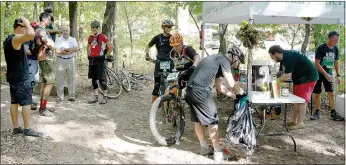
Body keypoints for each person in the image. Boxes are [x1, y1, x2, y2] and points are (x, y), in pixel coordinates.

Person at [184, 52, 245, 161]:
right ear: (235, 58)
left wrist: (233, 96)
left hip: (189, 90)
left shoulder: (216, 59)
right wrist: (243, 93)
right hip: (201, 92)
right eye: (238, 63)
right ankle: (218, 153)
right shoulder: (224, 60)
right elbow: (232, 84)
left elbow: (219, 87)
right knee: (213, 121)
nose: (237, 66)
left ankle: (204, 148)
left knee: (197, 120)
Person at [3, 17, 43, 137]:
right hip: (21, 76)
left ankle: (16, 127)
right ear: (19, 28)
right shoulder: (15, 39)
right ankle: (27, 129)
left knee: (14, 102)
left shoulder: (8, 40)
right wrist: (26, 21)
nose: (26, 30)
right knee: (26, 102)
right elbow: (31, 34)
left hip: (13, 75)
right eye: (24, 28)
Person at [268, 45, 319, 130]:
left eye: (271, 56)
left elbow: (288, 75)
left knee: (302, 101)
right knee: (296, 100)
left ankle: (300, 123)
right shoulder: (283, 58)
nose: (272, 58)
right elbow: (281, 72)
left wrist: (275, 82)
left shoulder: (288, 57)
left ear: (276, 53)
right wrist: (274, 79)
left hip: (308, 77)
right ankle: (294, 120)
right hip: (300, 78)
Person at [310, 31, 344, 121]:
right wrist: (325, 74)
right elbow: (316, 63)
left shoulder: (335, 49)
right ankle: (317, 112)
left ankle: (333, 113)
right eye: (335, 39)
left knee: (331, 93)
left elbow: (336, 62)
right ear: (330, 38)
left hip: (329, 73)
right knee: (317, 93)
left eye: (337, 40)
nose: (336, 41)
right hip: (318, 74)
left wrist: (338, 75)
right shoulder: (321, 48)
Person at [145, 20, 175, 104]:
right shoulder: (157, 37)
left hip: (170, 62)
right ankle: (153, 105)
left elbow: (177, 48)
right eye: (167, 27)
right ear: (163, 27)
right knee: (157, 85)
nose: (169, 28)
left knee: (172, 84)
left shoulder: (172, 37)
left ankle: (172, 104)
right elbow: (148, 45)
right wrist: (147, 54)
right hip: (159, 62)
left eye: (170, 27)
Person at [87, 20, 113, 104]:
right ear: (91, 28)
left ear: (99, 28)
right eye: (93, 27)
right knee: (94, 79)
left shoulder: (102, 36)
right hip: (92, 60)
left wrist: (105, 56)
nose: (94, 29)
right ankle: (96, 97)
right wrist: (88, 54)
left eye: (96, 27)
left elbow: (111, 46)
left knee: (102, 79)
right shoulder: (90, 37)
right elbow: (88, 47)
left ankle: (105, 97)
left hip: (100, 60)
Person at [35, 12, 56, 116]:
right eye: (49, 19)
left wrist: (52, 45)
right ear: (43, 18)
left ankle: (43, 107)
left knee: (44, 83)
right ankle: (43, 109)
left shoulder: (43, 30)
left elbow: (51, 44)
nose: (50, 21)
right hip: (45, 58)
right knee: (50, 82)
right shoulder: (40, 30)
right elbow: (50, 44)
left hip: (45, 58)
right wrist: (52, 45)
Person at [55, 26, 79, 102]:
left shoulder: (73, 39)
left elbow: (76, 49)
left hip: (71, 60)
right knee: (59, 79)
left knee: (71, 78)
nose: (65, 32)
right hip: (60, 60)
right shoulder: (58, 39)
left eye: (67, 30)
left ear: (69, 31)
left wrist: (65, 50)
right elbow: (57, 51)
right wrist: (70, 51)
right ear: (61, 31)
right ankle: (60, 97)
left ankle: (71, 95)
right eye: (64, 30)